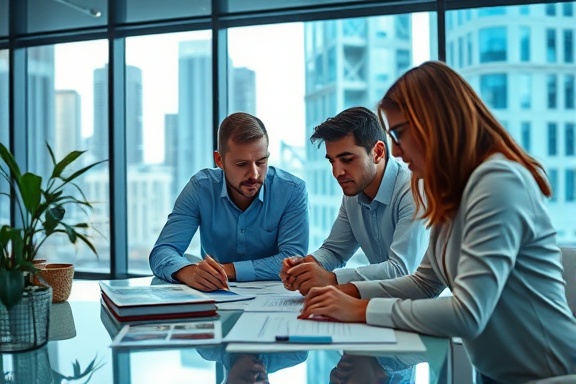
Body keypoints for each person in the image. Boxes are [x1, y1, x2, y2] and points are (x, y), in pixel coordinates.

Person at [299, 61, 576, 383]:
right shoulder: (453, 190)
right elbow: (424, 283)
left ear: (436, 124)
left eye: (400, 133)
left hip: (550, 374)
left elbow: (467, 314)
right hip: (494, 371)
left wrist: (360, 310)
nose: (397, 151)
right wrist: (345, 294)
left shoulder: (498, 181)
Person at [149, 112, 309, 291]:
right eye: (242, 164)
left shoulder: (292, 190)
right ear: (219, 160)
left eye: (261, 162)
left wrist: (227, 270)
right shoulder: (201, 188)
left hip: (275, 299)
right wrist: (188, 271)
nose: (254, 174)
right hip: (216, 297)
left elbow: (293, 259)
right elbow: (162, 251)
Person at [279, 107, 428, 295]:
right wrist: (306, 266)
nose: (337, 173)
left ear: (378, 152)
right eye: (332, 161)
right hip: (381, 303)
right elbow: (335, 251)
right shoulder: (353, 193)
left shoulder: (413, 191)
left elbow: (402, 271)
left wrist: (333, 280)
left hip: (420, 310)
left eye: (347, 160)